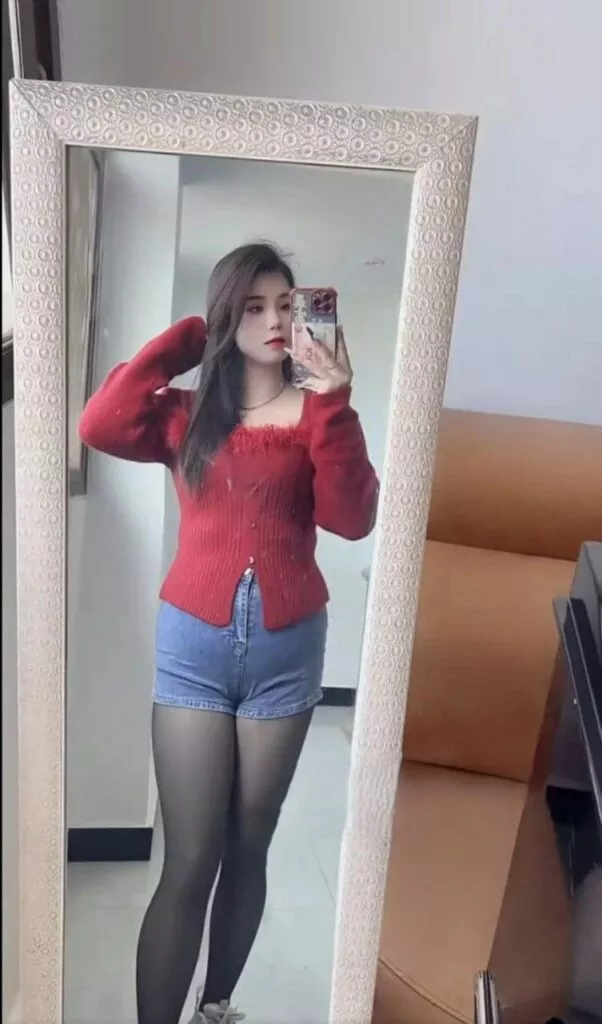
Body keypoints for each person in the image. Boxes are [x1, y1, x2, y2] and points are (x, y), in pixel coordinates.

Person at [78, 242, 378, 1024]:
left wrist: (334, 399)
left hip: (286, 653)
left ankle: (216, 1007)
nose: (275, 319)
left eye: (286, 304)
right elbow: (99, 424)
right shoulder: (185, 416)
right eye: (252, 306)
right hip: (194, 652)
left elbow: (353, 519)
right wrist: (189, 338)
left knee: (249, 845)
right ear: (226, 318)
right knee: (190, 859)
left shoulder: (319, 415)